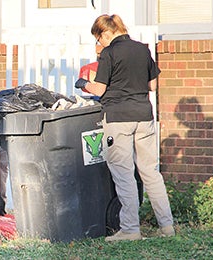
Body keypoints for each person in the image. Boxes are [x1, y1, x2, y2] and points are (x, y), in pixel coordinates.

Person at [75, 14, 175, 242]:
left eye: (99, 39)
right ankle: (167, 226)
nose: (99, 44)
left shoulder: (109, 53)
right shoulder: (142, 49)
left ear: (106, 33)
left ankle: (130, 229)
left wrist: (83, 83)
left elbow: (99, 90)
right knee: (151, 172)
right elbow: (153, 85)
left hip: (118, 118)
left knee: (124, 174)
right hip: (143, 115)